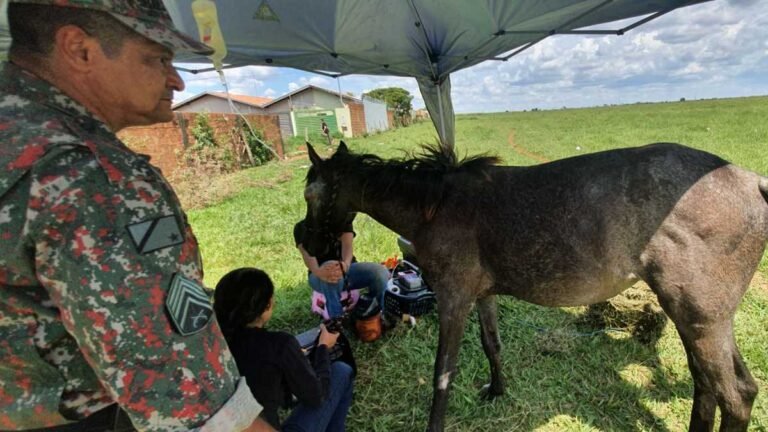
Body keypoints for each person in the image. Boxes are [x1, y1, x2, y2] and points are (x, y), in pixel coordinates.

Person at [0, 2, 273, 431]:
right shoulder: (89, 174)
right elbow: (188, 400)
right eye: (157, 58)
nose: (177, 79)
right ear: (79, 48)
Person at [214, 268, 355, 432]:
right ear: (267, 305)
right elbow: (317, 396)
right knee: (342, 371)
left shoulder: (210, 345)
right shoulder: (279, 344)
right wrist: (323, 347)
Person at [294, 218, 389, 320]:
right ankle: (336, 322)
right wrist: (319, 272)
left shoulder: (342, 220)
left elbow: (347, 246)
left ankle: (376, 312)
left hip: (347, 268)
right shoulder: (301, 227)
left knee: (380, 271)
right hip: (317, 274)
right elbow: (308, 256)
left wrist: (345, 265)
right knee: (332, 271)